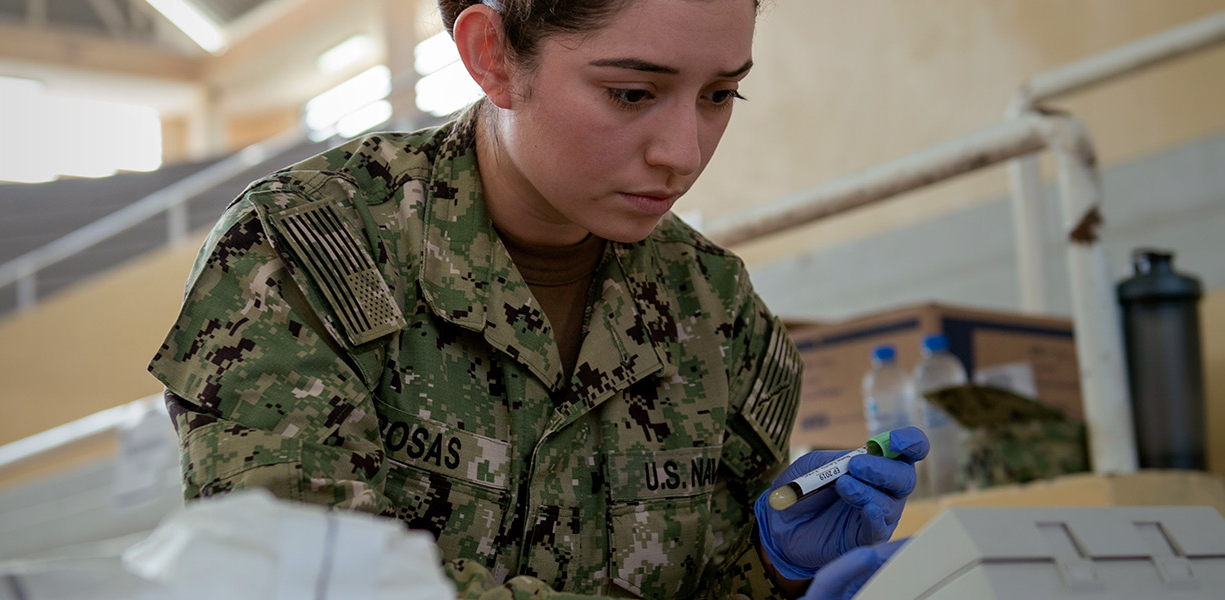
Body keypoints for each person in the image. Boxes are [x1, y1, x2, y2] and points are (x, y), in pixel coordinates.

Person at [147, 0, 928, 598]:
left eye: (720, 95)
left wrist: (776, 571)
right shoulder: (309, 251)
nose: (683, 153)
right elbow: (300, 579)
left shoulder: (717, 310)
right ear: (493, 56)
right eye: (630, 93)